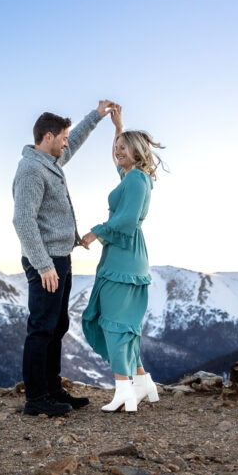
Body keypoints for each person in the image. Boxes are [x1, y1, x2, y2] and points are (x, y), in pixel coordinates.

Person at [12, 100, 116, 417]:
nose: (66, 143)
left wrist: (96, 116)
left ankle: (53, 389)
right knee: (42, 328)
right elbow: (23, 221)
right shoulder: (31, 170)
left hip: (61, 258)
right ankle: (36, 398)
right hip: (46, 263)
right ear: (48, 137)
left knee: (57, 327)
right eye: (63, 138)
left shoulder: (50, 162)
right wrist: (44, 266)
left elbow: (78, 139)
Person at [80, 105, 165, 412]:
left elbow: (127, 220)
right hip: (129, 255)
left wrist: (94, 233)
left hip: (123, 256)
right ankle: (142, 383)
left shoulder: (136, 180)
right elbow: (120, 167)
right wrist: (118, 128)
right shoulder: (136, 176)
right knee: (125, 325)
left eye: (123, 148)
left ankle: (123, 390)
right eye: (117, 148)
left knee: (114, 324)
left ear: (137, 151)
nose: (117, 152)